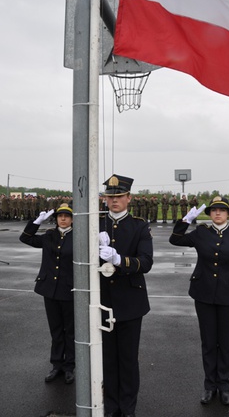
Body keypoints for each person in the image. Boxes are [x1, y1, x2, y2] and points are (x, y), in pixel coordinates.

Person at [169, 196, 229, 407]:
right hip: (203, 294)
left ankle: (224, 386)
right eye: (214, 210)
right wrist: (185, 220)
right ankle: (209, 386)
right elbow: (175, 240)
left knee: (225, 343)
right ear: (210, 213)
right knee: (208, 342)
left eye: (222, 211)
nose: (217, 213)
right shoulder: (201, 233)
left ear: (228, 214)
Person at [98, 174, 153, 417]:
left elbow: (147, 261)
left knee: (128, 360)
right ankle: (110, 407)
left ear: (129, 198)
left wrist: (119, 260)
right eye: (110, 197)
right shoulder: (96, 224)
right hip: (102, 300)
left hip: (130, 301)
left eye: (119, 196)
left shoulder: (139, 225)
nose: (114, 201)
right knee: (107, 359)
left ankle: (128, 408)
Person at [19, 203, 75, 384]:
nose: (63, 219)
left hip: (69, 290)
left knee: (70, 331)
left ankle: (70, 366)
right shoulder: (50, 235)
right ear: (56, 218)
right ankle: (56, 365)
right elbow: (26, 238)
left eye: (66, 216)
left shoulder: (78, 237)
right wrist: (36, 223)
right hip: (49, 289)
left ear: (72, 219)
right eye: (60, 216)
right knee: (56, 330)